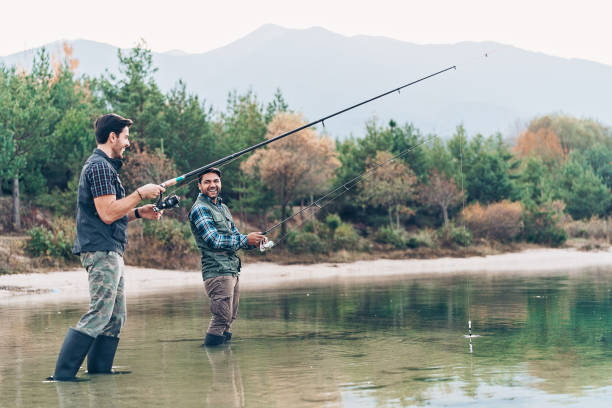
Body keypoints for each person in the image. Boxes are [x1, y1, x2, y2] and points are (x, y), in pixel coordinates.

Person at [49, 113, 165, 381]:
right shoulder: (100, 167)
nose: (128, 142)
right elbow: (107, 213)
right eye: (125, 136)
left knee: (115, 316)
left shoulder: (106, 167)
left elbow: (110, 210)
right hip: (101, 250)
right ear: (112, 137)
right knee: (100, 312)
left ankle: (99, 372)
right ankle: (62, 377)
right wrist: (139, 193)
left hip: (110, 248)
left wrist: (138, 212)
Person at [189, 168, 266, 346]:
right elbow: (214, 240)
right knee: (221, 318)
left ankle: (225, 365)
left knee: (229, 318)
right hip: (217, 272)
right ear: (199, 185)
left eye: (216, 181)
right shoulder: (200, 209)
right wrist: (245, 239)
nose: (212, 185)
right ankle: (213, 362)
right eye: (207, 182)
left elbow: (235, 237)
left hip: (231, 270)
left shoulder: (222, 207)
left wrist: (254, 242)